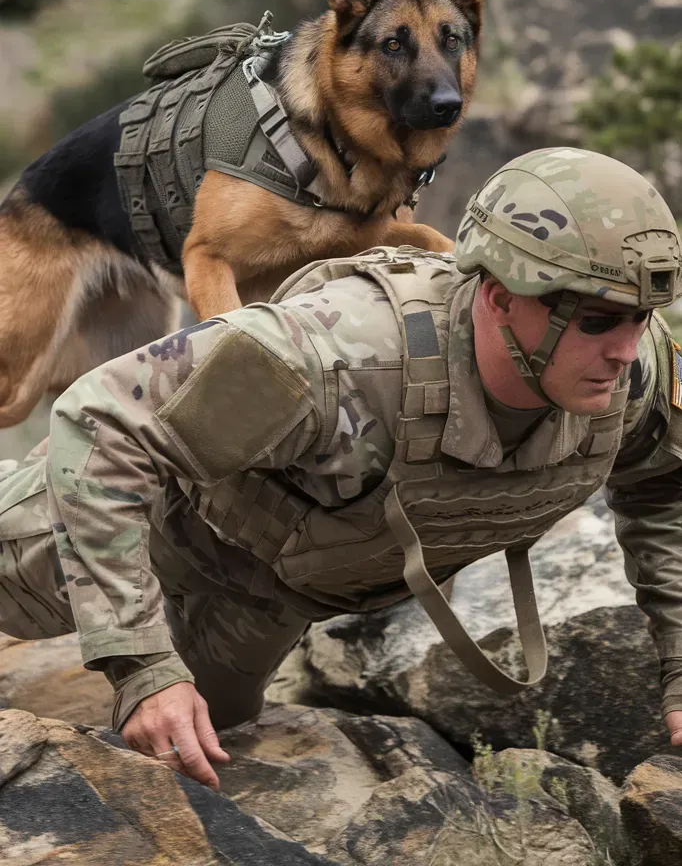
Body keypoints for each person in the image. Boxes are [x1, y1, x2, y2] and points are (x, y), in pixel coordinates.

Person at [2, 146, 682, 792]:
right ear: (502, 297)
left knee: (194, 759)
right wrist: (143, 663)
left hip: (267, 594)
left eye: (640, 318)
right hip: (154, 514)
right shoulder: (340, 353)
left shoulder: (633, 378)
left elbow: (666, 488)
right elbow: (104, 424)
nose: (625, 350)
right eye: (596, 320)